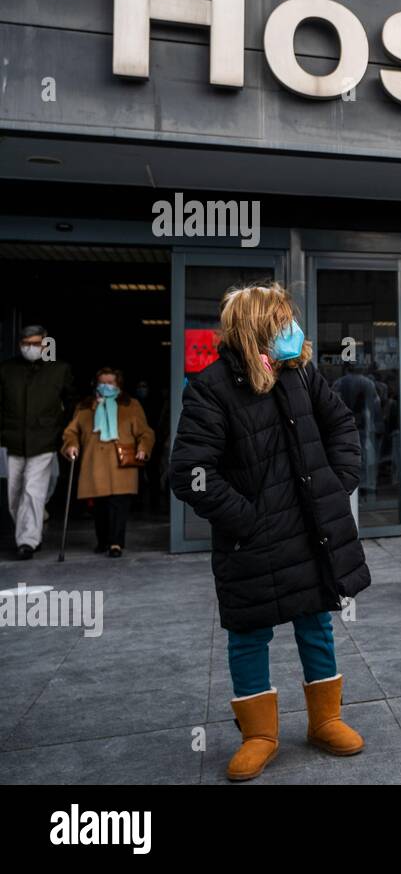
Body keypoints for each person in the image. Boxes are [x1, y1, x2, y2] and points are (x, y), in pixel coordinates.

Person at [169, 283, 372, 781]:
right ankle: (259, 735)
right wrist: (247, 519)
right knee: (248, 633)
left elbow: (341, 426)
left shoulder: (300, 373)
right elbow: (190, 472)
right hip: (251, 540)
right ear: (255, 326)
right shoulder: (211, 387)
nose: (291, 328)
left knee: (317, 624)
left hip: (310, 530)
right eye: (280, 319)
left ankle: (326, 720)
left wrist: (338, 480)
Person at [0, 324, 77, 560]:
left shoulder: (59, 369)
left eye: (35, 344)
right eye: (26, 344)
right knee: (13, 493)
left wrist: (59, 428)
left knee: (33, 491)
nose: (30, 348)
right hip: (10, 440)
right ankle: (32, 527)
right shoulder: (6, 370)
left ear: (45, 343)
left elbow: (71, 401)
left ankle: (27, 541)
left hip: (44, 440)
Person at [60, 368, 154, 557]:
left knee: (119, 504)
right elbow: (71, 431)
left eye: (110, 382)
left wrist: (143, 448)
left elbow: (145, 432)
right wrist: (71, 445)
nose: (106, 386)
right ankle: (103, 541)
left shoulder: (130, 405)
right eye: (102, 382)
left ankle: (116, 543)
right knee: (100, 507)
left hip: (122, 464)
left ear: (118, 385)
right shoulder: (85, 406)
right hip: (94, 463)